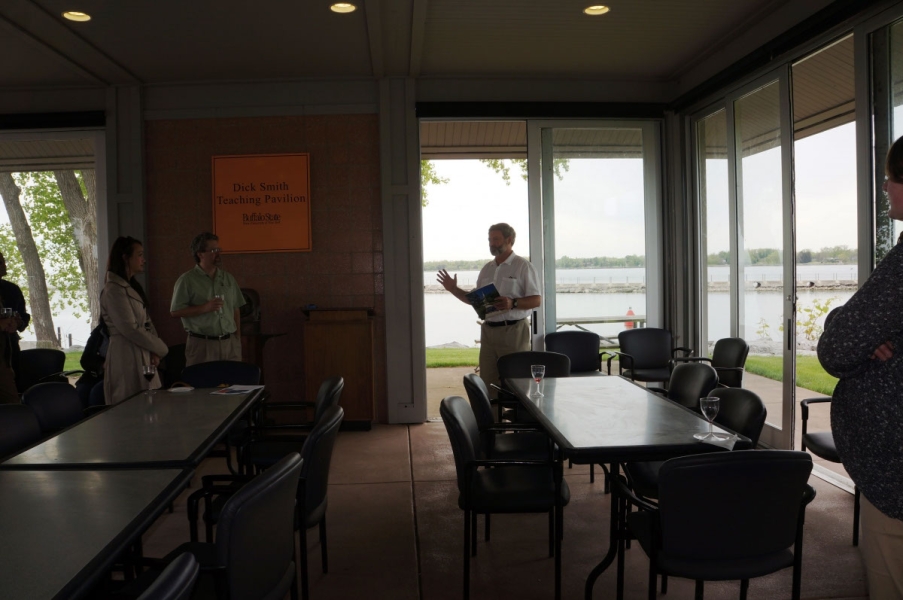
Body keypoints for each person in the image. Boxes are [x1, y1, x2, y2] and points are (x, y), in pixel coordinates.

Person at [817, 136, 903, 599]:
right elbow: (854, 329)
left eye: (892, 178)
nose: (886, 188)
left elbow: (835, 348)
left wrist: (851, 331)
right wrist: (860, 333)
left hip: (897, 479)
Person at [437, 223, 541, 393]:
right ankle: (491, 419)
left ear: (509, 240)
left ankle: (518, 419)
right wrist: (453, 289)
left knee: (517, 382)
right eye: (490, 240)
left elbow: (536, 300)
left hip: (513, 331)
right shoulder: (487, 269)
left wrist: (513, 303)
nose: (492, 243)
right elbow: (474, 300)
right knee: (488, 383)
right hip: (488, 332)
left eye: (496, 239)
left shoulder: (523, 266)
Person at [100, 236, 168, 404]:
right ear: (125, 258)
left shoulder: (130, 287)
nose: (143, 260)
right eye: (139, 254)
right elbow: (129, 328)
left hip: (142, 352)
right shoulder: (113, 290)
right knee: (129, 406)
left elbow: (147, 323)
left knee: (148, 404)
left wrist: (154, 350)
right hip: (125, 355)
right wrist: (160, 347)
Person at [170, 232, 245, 367]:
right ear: (200, 254)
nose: (218, 253)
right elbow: (175, 311)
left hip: (229, 343)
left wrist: (237, 338)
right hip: (202, 345)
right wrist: (204, 308)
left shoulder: (228, 278)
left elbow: (235, 308)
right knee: (204, 386)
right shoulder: (186, 280)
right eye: (213, 250)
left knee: (233, 386)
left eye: (218, 249)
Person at [0, 252, 31, 394]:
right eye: (1, 263)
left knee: (14, 386)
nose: (5, 265)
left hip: (11, 347)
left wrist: (18, 323)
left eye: (4, 262)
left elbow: (23, 315)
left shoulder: (12, 289)